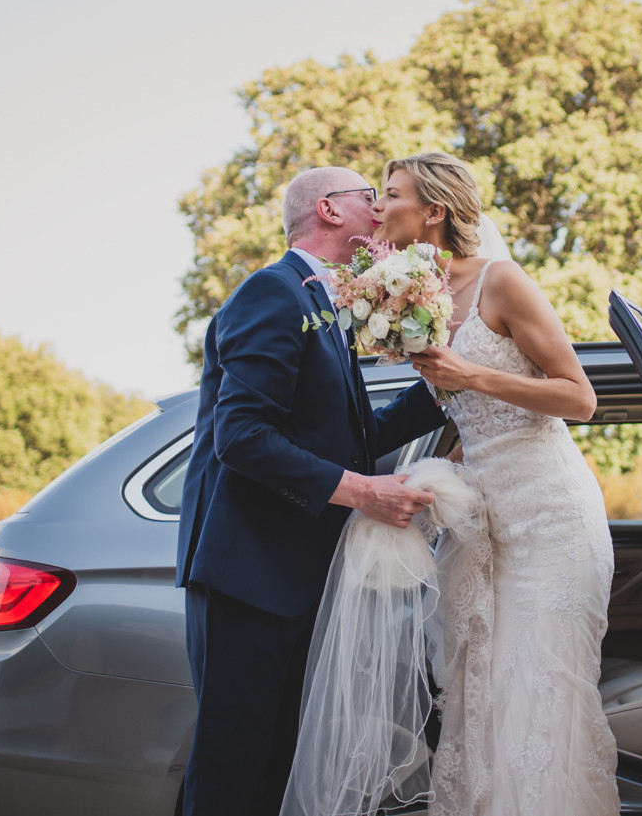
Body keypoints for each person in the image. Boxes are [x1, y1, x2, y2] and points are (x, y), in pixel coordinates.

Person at [175, 166, 450, 816]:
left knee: (277, 768)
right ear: (328, 210)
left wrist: (447, 383)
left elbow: (355, 437)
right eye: (369, 198)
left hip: (300, 579)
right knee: (231, 773)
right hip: (250, 576)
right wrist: (363, 492)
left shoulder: (326, 306)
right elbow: (240, 435)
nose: (380, 211)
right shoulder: (272, 294)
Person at [371, 151, 621, 815]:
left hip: (553, 516)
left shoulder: (502, 282)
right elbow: (468, 416)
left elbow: (579, 396)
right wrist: (443, 467)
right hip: (486, 522)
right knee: (484, 692)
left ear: (434, 211)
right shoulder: (407, 300)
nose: (379, 205)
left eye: (390, 193)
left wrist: (470, 374)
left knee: (541, 694)